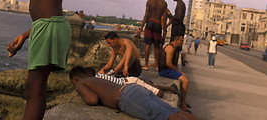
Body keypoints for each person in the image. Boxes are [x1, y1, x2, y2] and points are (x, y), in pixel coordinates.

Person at [6, 0, 71, 120]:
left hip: (50, 26)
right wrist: (24, 36)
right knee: (37, 88)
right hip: (44, 26)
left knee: (32, 88)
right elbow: (44, 16)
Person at [69, 66, 199, 120]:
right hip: (135, 88)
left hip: (126, 97)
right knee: (173, 111)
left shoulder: (81, 83)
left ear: (75, 79)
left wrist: (80, 92)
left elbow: (92, 100)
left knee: (166, 116)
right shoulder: (96, 78)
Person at [83, 66, 180, 98]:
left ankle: (170, 88)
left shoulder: (97, 80)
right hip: (129, 81)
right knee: (149, 86)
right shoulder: (99, 76)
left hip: (130, 82)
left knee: (159, 94)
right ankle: (169, 87)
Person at [137, 0, 167, 71]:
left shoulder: (149, 2)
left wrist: (141, 28)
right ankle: (157, 66)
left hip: (150, 23)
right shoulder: (164, 3)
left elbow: (146, 15)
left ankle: (146, 65)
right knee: (157, 46)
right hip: (158, 24)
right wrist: (164, 30)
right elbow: (164, 18)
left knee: (148, 44)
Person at [158, 34, 190, 112]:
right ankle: (182, 103)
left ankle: (183, 99)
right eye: (181, 41)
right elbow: (168, 63)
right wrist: (179, 71)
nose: (182, 43)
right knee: (185, 80)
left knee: (186, 78)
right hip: (164, 71)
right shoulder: (170, 49)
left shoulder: (172, 47)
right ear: (176, 40)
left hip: (167, 69)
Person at [169, 0, 186, 66]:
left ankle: (174, 64)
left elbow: (178, 17)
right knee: (175, 47)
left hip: (178, 27)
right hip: (178, 26)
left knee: (175, 46)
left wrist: (170, 15)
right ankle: (173, 63)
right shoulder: (180, 4)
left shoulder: (180, 4)